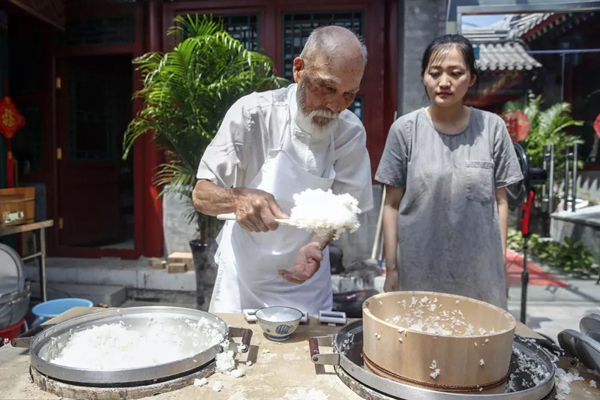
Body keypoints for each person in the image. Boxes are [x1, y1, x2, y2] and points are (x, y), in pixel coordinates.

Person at [193, 26, 373, 315]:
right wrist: (238, 199)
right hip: (243, 279)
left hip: (306, 279)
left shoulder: (349, 132)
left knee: (306, 357)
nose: (335, 105)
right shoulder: (253, 114)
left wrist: (317, 243)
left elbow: (345, 205)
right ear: (299, 70)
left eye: (348, 95)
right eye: (327, 88)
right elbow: (201, 195)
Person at [375, 34, 523, 310]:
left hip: (479, 275)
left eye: (456, 73)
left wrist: (500, 263)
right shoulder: (405, 131)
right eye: (435, 73)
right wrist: (392, 268)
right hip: (418, 271)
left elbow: (501, 201)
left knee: (480, 348)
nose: (444, 82)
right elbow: (391, 204)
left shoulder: (492, 129)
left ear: (472, 78)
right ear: (424, 76)